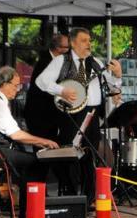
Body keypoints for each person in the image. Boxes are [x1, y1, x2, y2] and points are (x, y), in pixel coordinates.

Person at [36, 27, 122, 202]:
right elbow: (41, 81)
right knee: (71, 154)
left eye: (89, 41)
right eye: (84, 41)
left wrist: (118, 75)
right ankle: (72, 195)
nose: (88, 44)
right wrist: (62, 90)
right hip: (71, 115)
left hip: (93, 113)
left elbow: (112, 87)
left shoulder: (96, 62)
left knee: (91, 156)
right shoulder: (62, 61)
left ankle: (88, 198)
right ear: (73, 43)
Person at [0, 66, 59, 218]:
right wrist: (44, 141)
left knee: (34, 161)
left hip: (0, 148)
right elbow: (15, 134)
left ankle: (34, 212)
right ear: (5, 83)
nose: (18, 90)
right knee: (35, 164)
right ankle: (29, 216)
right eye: (16, 85)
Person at [24, 33, 69, 183]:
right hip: (40, 117)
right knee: (44, 153)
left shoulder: (50, 61)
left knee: (48, 153)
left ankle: (41, 187)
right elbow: (46, 91)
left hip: (44, 116)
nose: (68, 51)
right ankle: (38, 187)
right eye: (66, 48)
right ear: (57, 48)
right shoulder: (46, 63)